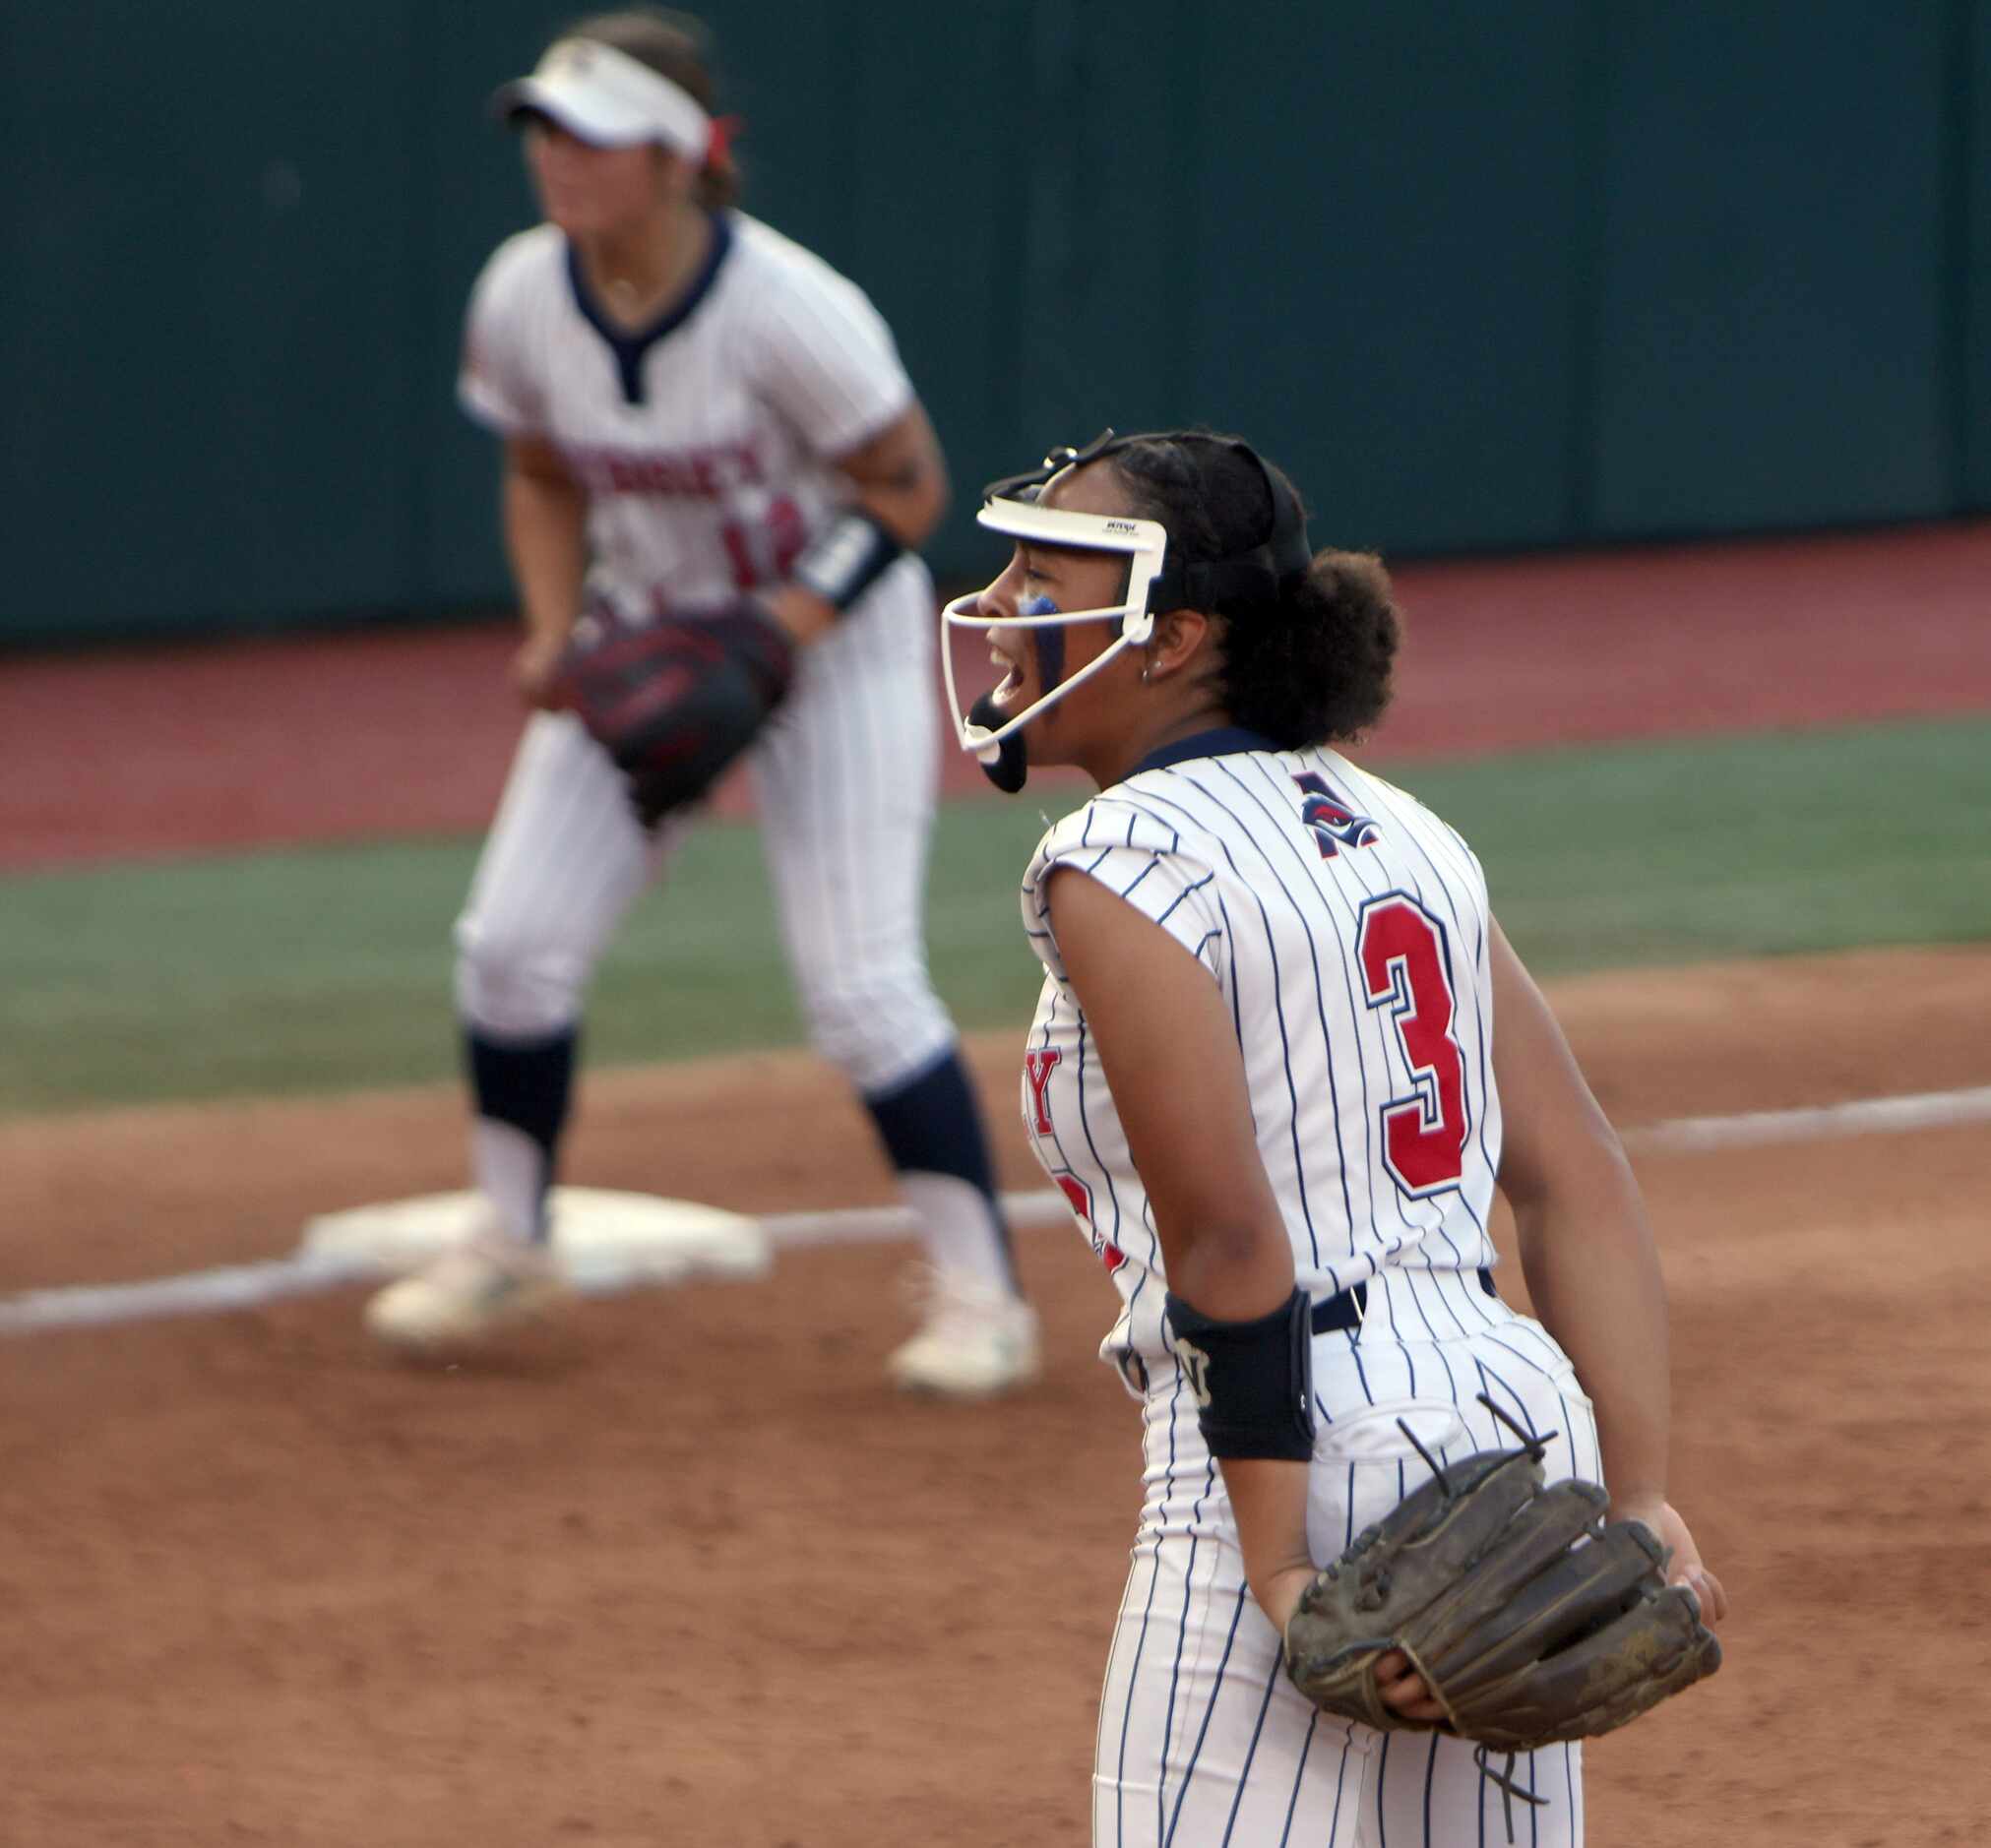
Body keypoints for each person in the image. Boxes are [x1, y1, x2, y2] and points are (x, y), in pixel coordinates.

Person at [941, 430, 1727, 1841]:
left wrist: (1277, 1566)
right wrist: (1642, 1493)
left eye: (1042, 575)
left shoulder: (1122, 858)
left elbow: (1231, 1236)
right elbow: (1578, 1175)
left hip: (1297, 1429)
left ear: (1171, 636)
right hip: (1512, 1416)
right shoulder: (1407, 830)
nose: (1001, 602)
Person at [364, 7, 1038, 1398]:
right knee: (509, 948)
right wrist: (554, 630)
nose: (556, 160)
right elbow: (543, 469)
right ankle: (510, 1236)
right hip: (640, 641)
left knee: (859, 987)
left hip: (828, 645)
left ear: (676, 159)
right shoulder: (523, 293)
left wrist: (774, 633)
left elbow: (907, 487)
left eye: (591, 137)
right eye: (543, 130)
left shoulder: (787, 308)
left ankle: (983, 1295)